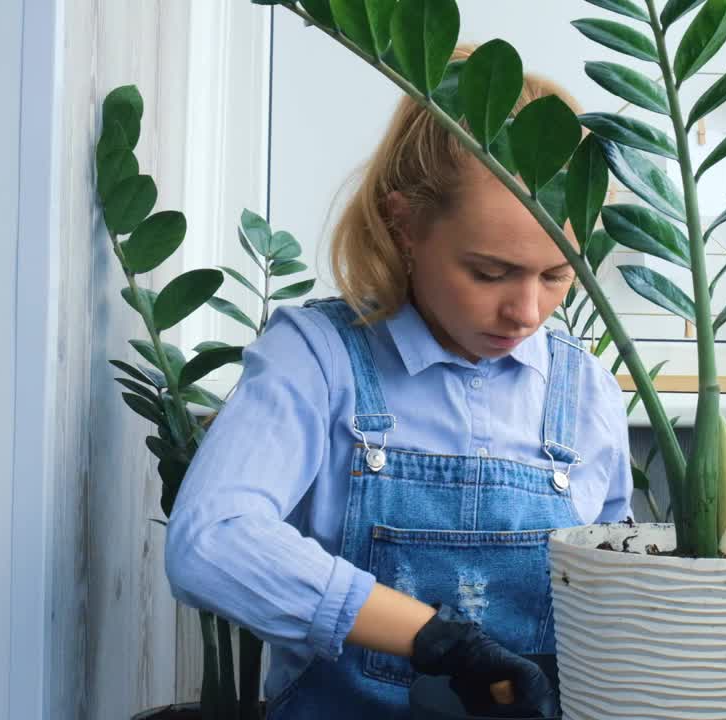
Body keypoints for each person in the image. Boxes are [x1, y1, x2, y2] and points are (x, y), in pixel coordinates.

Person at [164, 46, 633, 720]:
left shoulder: (587, 391)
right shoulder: (317, 359)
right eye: (490, 272)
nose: (526, 312)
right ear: (404, 223)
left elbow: (613, 609)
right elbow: (211, 543)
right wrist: (436, 641)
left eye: (557, 276)